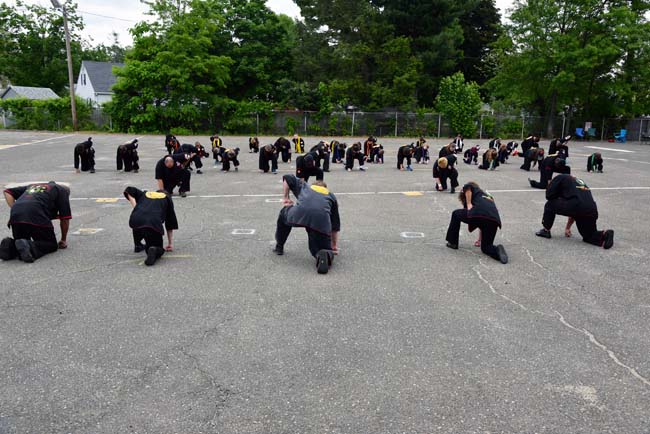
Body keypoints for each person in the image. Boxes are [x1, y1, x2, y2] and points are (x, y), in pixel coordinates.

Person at [273, 174, 340, 274]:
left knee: (284, 215)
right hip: (320, 222)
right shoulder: (331, 196)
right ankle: (322, 255)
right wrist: (333, 246)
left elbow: (287, 177)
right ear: (325, 188)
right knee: (322, 246)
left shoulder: (305, 186)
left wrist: (286, 198)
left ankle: (279, 246)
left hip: (299, 214)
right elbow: (335, 226)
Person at [535, 174, 614, 249]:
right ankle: (605, 234)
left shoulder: (558, 178)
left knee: (550, 204)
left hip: (578, 206)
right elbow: (574, 211)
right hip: (591, 209)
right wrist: (567, 228)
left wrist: (553, 191)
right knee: (588, 236)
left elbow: (549, 195)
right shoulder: (576, 183)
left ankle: (546, 230)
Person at [1, 181, 71, 263]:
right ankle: (30, 247)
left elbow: (7, 192)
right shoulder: (62, 191)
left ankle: (9, 246)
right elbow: (65, 219)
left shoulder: (34, 187)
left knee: (21, 242)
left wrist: (16, 209)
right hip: (35, 213)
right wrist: (63, 240)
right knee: (50, 244)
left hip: (16, 215)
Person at [445, 182, 508, 264]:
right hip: (494, 220)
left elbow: (467, 188)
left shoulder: (472, 188)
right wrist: (479, 239)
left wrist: (468, 203)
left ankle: (452, 242)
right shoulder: (488, 197)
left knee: (456, 214)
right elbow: (482, 221)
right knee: (486, 247)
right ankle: (497, 251)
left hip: (481, 215)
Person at [124, 186, 179, 265]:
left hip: (135, 219)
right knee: (157, 247)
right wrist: (170, 244)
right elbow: (170, 224)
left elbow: (128, 190)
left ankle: (137, 245)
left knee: (139, 224)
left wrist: (135, 207)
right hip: (152, 224)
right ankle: (154, 249)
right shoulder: (167, 199)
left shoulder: (146, 194)